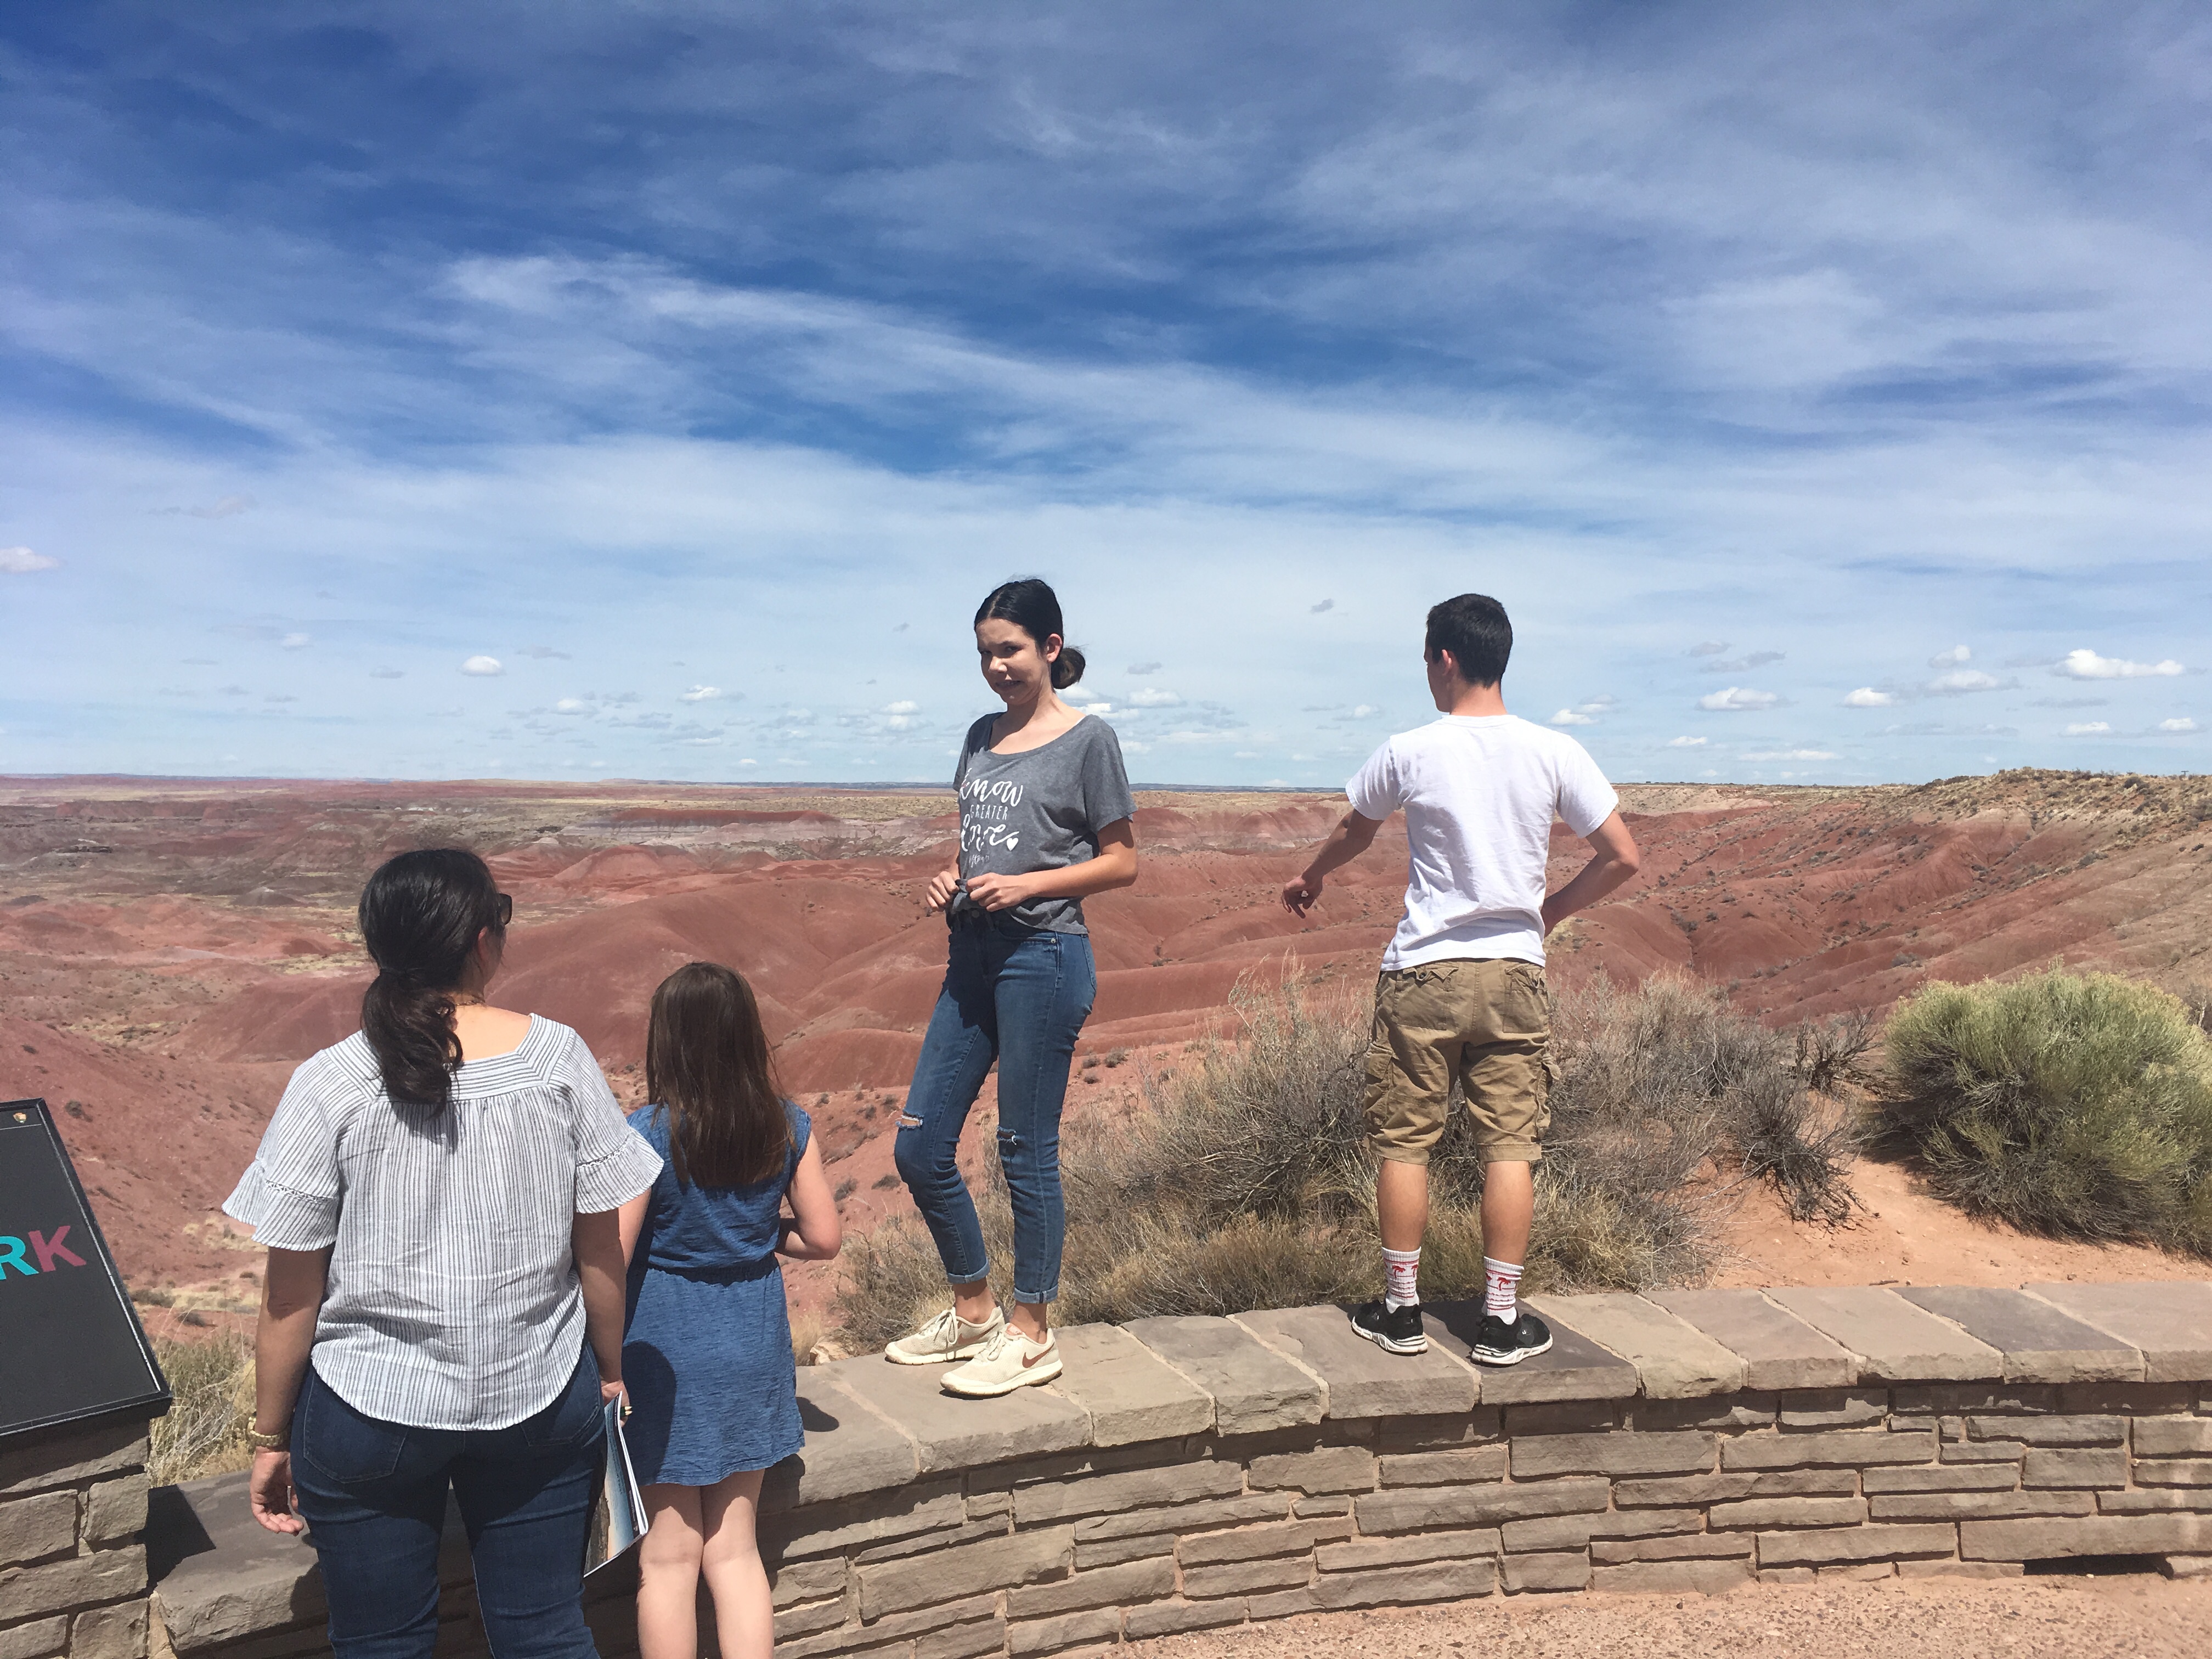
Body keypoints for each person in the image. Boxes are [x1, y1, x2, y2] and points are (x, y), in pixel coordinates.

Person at [227, 848, 663, 1659]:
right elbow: (599, 1250)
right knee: (545, 1631)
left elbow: (290, 1295)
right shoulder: (557, 1060)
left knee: (381, 1643)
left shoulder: (331, 1081)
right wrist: (608, 1371)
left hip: (367, 1406)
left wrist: (269, 1437)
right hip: (540, 1394)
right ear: (484, 941)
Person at [1280, 594, 1641, 1365]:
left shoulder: (1411, 750)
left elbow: (1353, 828)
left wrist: (1312, 876)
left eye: (1425, 659)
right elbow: (1623, 856)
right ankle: (1500, 1320)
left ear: (1444, 659)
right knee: (1509, 1146)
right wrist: (1548, 912)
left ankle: (1401, 1312)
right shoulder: (1555, 751)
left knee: (1406, 1143)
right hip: (1515, 972)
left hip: (1424, 972)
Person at [885, 577, 1139, 1396]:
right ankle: (974, 1313)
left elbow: (1122, 862)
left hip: (1045, 956)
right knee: (919, 1147)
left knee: (1025, 1148)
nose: (997, 666)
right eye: (985, 654)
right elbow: (978, 844)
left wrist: (1028, 885)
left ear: (1051, 649)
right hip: (972, 953)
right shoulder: (979, 736)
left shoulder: (1089, 740)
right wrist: (950, 874)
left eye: (1011, 650)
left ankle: (1033, 1333)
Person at [617, 962, 841, 1659]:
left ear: (668, 1040)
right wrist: (755, 1234)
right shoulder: (787, 1125)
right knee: (736, 1552)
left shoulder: (646, 1133)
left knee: (668, 1560)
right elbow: (824, 1238)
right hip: (752, 1338)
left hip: (664, 1349)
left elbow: (613, 1255)